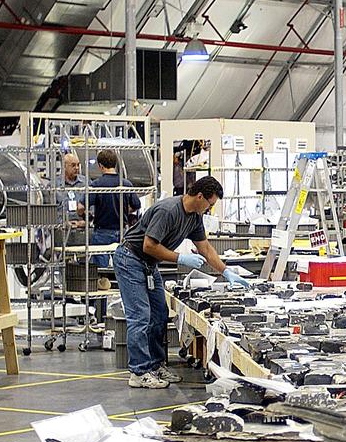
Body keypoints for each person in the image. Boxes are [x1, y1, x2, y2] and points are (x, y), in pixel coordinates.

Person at [114, 177, 250, 389]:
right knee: (140, 316)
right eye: (210, 204)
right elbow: (149, 245)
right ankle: (139, 372)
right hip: (130, 259)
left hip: (149, 265)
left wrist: (226, 272)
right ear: (199, 196)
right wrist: (180, 258)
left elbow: (205, 248)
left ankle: (155, 365)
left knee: (159, 314)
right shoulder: (168, 211)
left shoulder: (194, 217)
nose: (210, 209)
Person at [87, 149, 141, 268]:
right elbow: (136, 205)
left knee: (101, 272)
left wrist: (88, 217)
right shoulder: (126, 184)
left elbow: (81, 207)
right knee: (123, 268)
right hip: (122, 231)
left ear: (100, 165)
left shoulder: (96, 185)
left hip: (102, 232)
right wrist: (123, 211)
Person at [61, 152, 86, 226]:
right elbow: (51, 213)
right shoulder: (55, 185)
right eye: (73, 165)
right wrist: (62, 223)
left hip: (83, 228)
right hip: (61, 229)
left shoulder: (86, 183)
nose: (77, 168)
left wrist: (87, 222)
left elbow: (93, 208)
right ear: (64, 166)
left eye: (78, 165)